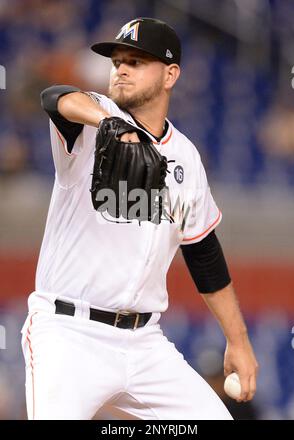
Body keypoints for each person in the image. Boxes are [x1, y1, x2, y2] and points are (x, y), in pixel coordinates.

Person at [21, 17, 258, 420]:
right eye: (118, 61)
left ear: (170, 75)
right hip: (69, 333)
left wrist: (238, 342)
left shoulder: (185, 157)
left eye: (136, 61)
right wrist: (110, 123)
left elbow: (204, 254)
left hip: (144, 342)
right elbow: (54, 97)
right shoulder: (91, 123)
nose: (122, 69)